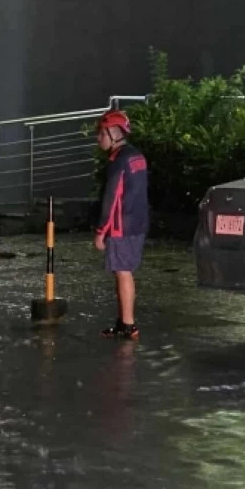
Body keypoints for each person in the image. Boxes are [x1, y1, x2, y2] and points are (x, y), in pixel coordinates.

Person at [93, 110, 150, 340]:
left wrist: (101, 231)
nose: (98, 138)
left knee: (123, 273)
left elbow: (112, 197)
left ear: (114, 133)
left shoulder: (118, 161)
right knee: (125, 272)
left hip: (121, 227)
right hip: (138, 223)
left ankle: (128, 325)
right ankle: (124, 322)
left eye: (101, 133)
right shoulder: (137, 156)